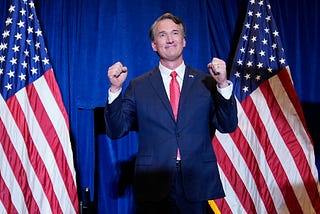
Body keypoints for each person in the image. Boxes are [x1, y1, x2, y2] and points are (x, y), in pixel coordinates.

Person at [104, 13, 238, 214]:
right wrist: (115, 89)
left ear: (183, 41)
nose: (170, 39)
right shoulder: (138, 85)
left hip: (196, 180)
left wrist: (222, 84)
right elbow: (116, 130)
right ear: (154, 45)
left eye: (175, 33)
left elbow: (227, 125)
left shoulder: (207, 82)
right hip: (153, 183)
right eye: (162, 35)